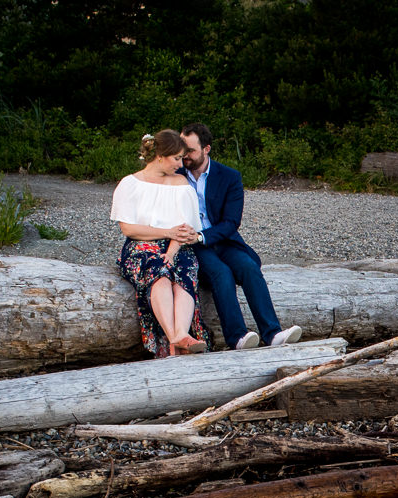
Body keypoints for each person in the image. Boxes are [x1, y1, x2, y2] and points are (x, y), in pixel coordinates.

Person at [180, 122, 301, 350]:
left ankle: (273, 333)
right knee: (221, 273)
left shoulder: (229, 176)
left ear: (207, 149)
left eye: (190, 151)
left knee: (248, 266)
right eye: (182, 150)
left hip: (221, 240)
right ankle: (237, 338)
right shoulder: (175, 175)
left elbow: (231, 222)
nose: (185, 156)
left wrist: (202, 236)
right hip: (190, 245)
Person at [110, 129, 209, 357]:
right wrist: (166, 232)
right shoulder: (130, 184)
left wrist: (172, 251)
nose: (180, 163)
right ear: (160, 156)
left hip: (176, 244)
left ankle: (181, 334)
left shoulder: (180, 183)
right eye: (176, 158)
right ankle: (175, 337)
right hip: (140, 245)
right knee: (159, 271)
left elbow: (185, 228)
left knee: (184, 269)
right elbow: (129, 229)